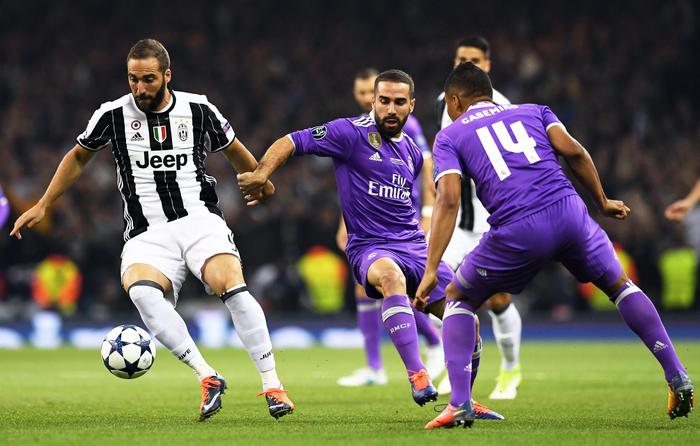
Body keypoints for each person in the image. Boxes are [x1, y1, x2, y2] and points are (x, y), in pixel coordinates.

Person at [10, 39, 294, 421]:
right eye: (133, 79)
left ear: (166, 76)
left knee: (231, 284)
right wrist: (44, 203)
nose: (139, 88)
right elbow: (78, 156)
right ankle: (207, 376)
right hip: (147, 233)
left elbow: (232, 149)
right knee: (142, 292)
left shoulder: (198, 109)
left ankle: (273, 385)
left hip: (199, 220)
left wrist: (261, 177)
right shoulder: (112, 115)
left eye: (148, 79)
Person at [417, 62, 695, 428]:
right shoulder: (535, 111)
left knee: (458, 297)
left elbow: (449, 199)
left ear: (454, 100)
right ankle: (677, 374)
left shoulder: (450, 135)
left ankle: (460, 403)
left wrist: (432, 268)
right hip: (570, 214)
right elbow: (575, 152)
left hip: (517, 227)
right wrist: (602, 201)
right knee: (620, 286)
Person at [239, 69, 502, 419]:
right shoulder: (349, 133)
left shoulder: (411, 151)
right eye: (383, 101)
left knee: (466, 316)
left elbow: (408, 199)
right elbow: (292, 140)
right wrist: (261, 172)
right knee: (390, 278)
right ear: (373, 101)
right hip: (371, 247)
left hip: (413, 246)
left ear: (411, 105)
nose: (390, 109)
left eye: (398, 102)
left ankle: (463, 402)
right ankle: (417, 373)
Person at [336, 68, 444, 387]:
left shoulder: (404, 122)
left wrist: (427, 212)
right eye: (360, 94)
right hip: (374, 225)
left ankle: (433, 343)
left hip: (404, 222)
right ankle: (375, 366)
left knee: (400, 285)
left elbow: (427, 167)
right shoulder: (362, 128)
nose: (364, 99)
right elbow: (360, 183)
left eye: (368, 91)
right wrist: (346, 223)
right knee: (373, 284)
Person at [430, 36, 522, 399]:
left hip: (489, 219)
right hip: (457, 222)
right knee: (439, 285)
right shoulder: (446, 101)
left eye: (473, 59)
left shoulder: (501, 106)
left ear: (487, 64)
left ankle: (511, 370)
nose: (465, 63)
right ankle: (453, 369)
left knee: (497, 298)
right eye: (460, 58)